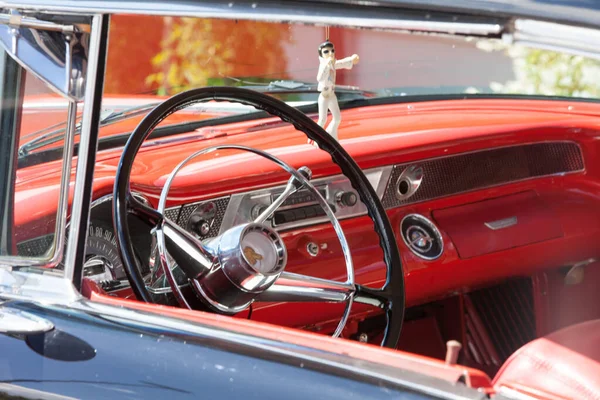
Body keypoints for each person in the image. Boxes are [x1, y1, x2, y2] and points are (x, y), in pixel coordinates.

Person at [311, 41, 359, 144]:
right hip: (323, 96)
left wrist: (351, 60)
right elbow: (319, 78)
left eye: (332, 51)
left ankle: (330, 134)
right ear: (321, 54)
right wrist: (327, 65)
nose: (330, 53)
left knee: (337, 118)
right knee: (322, 120)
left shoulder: (332, 63)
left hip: (332, 95)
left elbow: (342, 63)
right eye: (326, 52)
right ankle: (314, 139)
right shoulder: (324, 65)